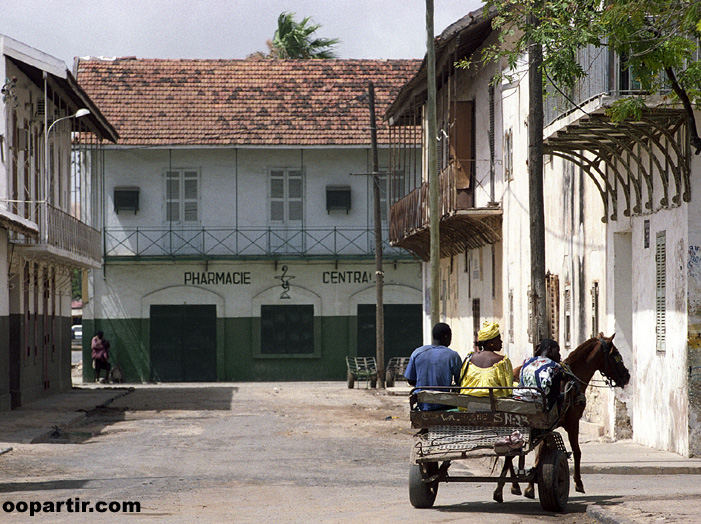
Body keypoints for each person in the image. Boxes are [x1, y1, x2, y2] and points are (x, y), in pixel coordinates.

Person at [404, 323, 462, 411]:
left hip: (422, 404)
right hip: (443, 404)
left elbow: (410, 380)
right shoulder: (453, 355)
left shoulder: (417, 352)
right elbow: (460, 381)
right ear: (445, 337)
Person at [459, 321, 513, 398]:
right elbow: (508, 388)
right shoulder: (502, 361)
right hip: (495, 405)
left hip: (468, 404)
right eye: (498, 339)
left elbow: (462, 380)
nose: (501, 342)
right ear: (491, 342)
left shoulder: (469, 359)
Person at [513, 338, 564, 408]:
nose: (559, 355)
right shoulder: (555, 366)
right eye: (557, 351)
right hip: (539, 400)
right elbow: (555, 392)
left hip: (520, 396)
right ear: (549, 349)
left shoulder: (527, 361)